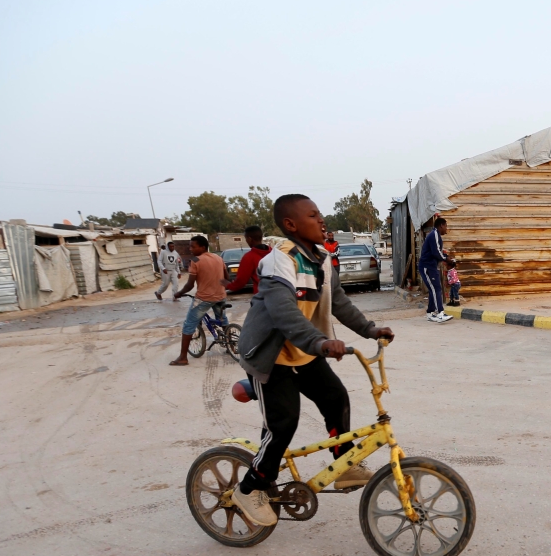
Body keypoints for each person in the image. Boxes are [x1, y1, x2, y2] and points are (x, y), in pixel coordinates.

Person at [230, 194, 395, 527]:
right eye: (313, 215)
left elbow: (340, 303)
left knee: (336, 398)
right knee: (283, 424)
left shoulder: (320, 259)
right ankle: (249, 489)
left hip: (304, 353)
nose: (322, 221)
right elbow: (284, 313)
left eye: (321, 214)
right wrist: (320, 342)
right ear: (291, 225)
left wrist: (369, 329)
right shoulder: (280, 261)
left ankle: (343, 463)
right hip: (272, 358)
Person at [169, 236, 229, 366]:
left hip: (204, 298)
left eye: (193, 246)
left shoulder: (195, 260)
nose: (190, 249)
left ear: (202, 247)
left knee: (189, 324)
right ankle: (230, 345)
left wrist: (179, 293)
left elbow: (190, 285)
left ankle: (183, 357)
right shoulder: (218, 258)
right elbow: (227, 277)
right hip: (220, 296)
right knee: (223, 320)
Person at [419, 217, 453, 323]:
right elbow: (436, 253)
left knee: (434, 289)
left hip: (431, 266)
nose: (446, 229)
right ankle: (440, 313)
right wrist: (446, 259)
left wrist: (446, 257)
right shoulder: (434, 235)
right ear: (441, 225)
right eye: (446, 226)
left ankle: (430, 313)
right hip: (427, 266)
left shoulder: (435, 235)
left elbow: (437, 251)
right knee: (436, 289)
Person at [222, 225, 272, 295]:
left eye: (246, 239)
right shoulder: (273, 252)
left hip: (262, 296)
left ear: (249, 239)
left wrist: (228, 285)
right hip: (279, 294)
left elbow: (240, 282)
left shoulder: (249, 257)